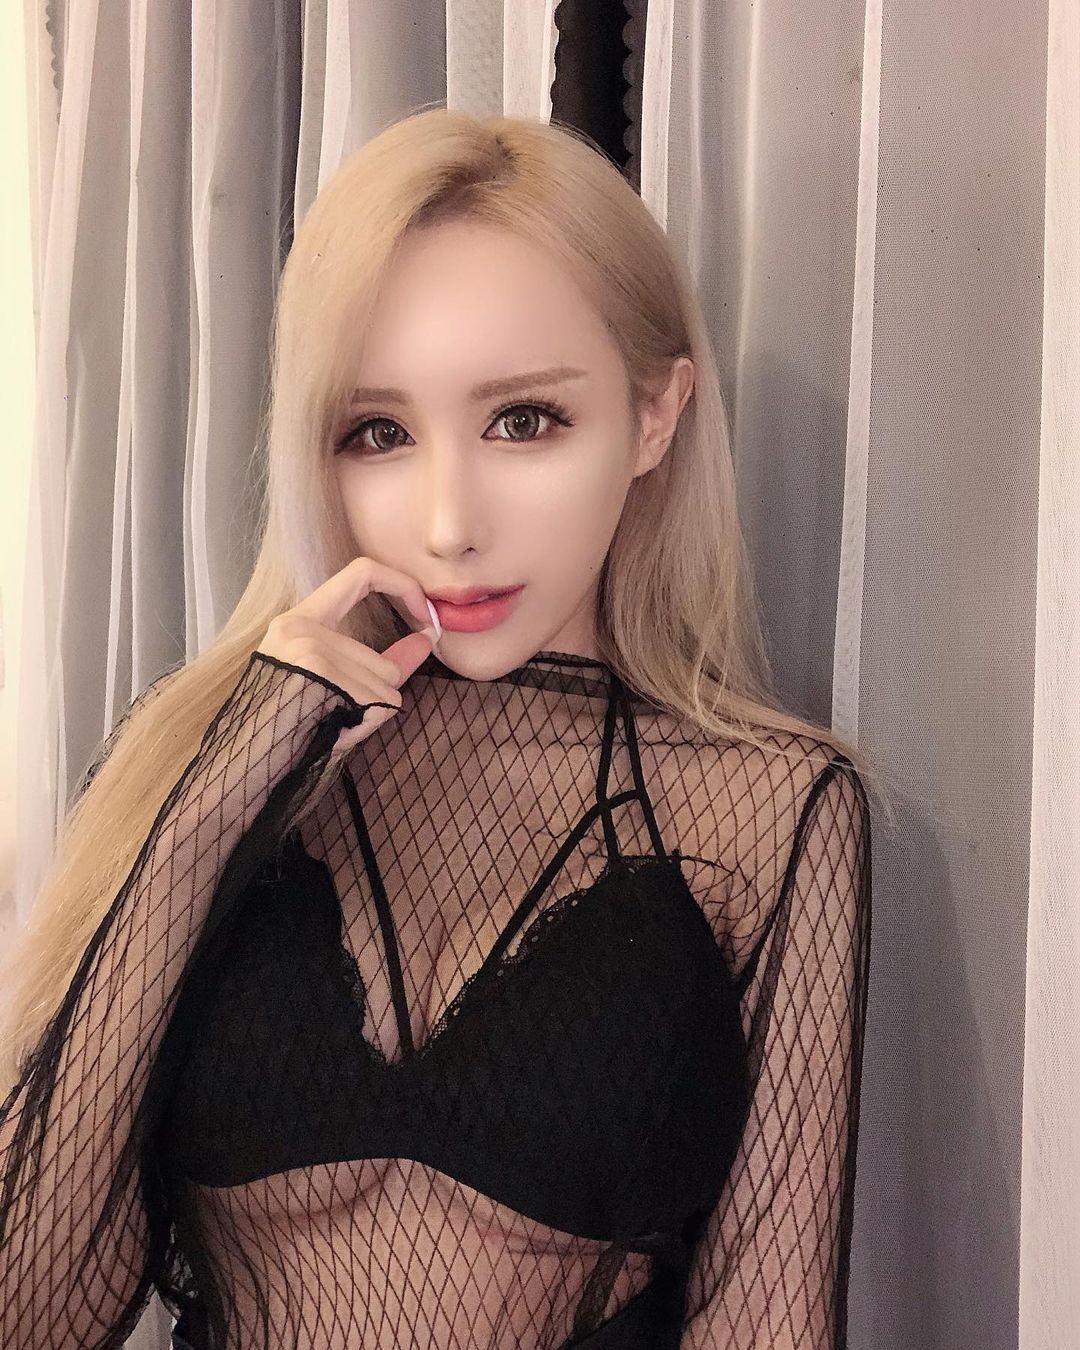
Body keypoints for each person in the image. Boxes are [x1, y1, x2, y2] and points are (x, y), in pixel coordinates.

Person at [0, 106, 887, 1349]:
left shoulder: (769, 807)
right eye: (378, 433)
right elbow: (28, 1310)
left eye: (523, 420)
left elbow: (767, 1315)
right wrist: (220, 785)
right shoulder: (202, 754)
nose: (449, 523)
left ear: (654, 416)